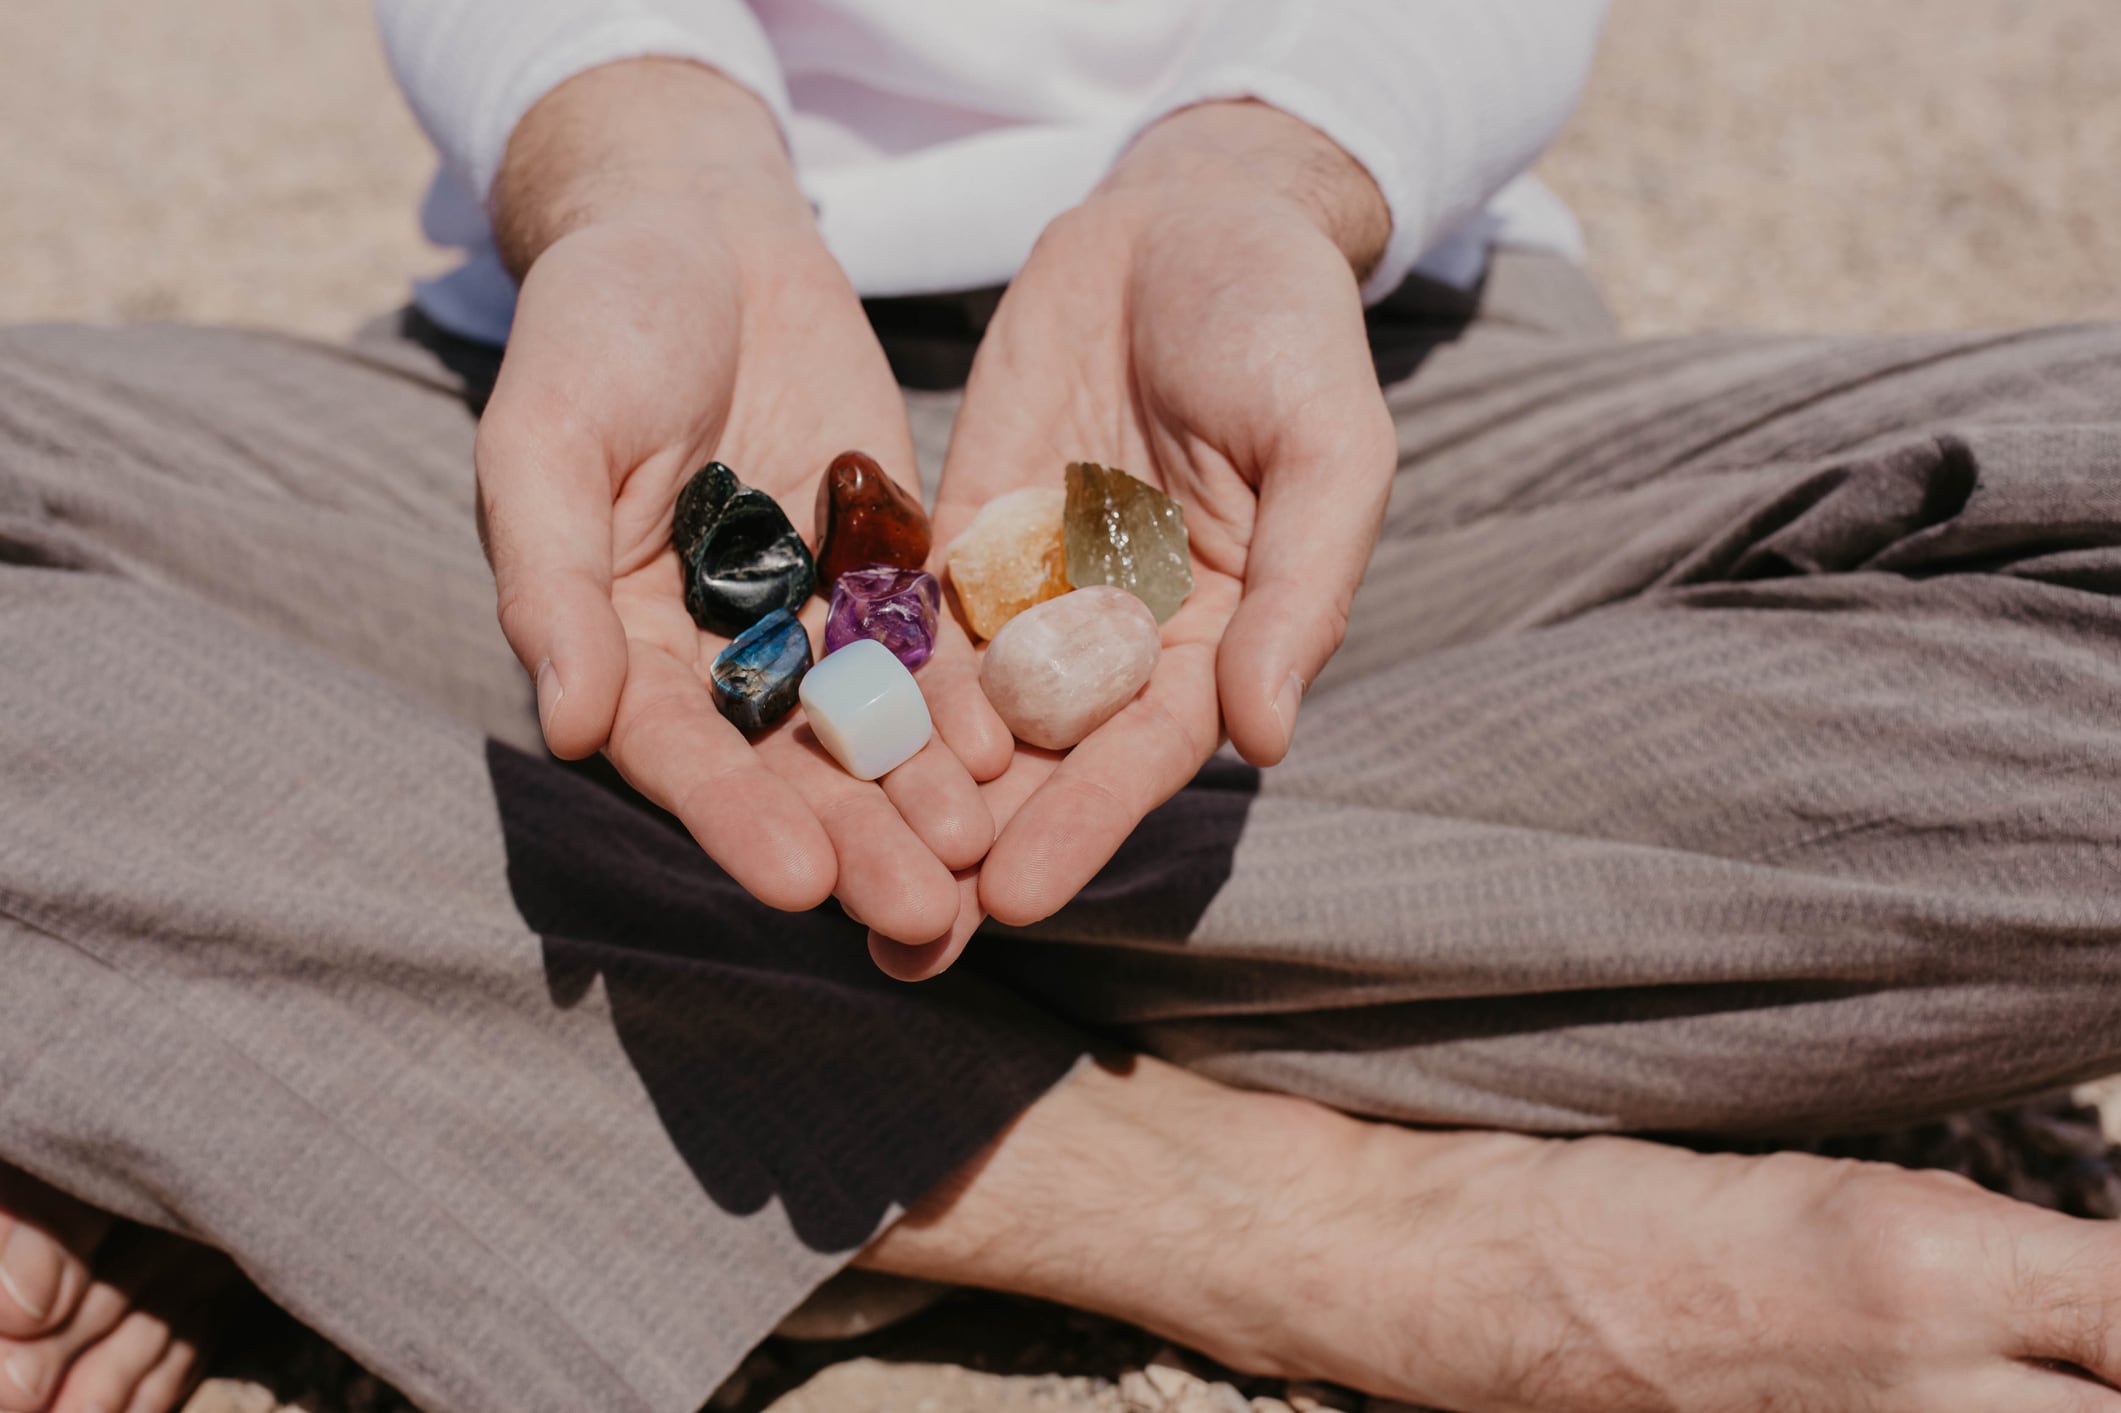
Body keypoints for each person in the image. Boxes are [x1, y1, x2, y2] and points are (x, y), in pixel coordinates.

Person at [5, 2, 2121, 1411]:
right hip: (595, 409)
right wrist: (649, 173)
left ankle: (320, 1018)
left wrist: (1261, 174)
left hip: (1325, 391)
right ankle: (1269, 1212)